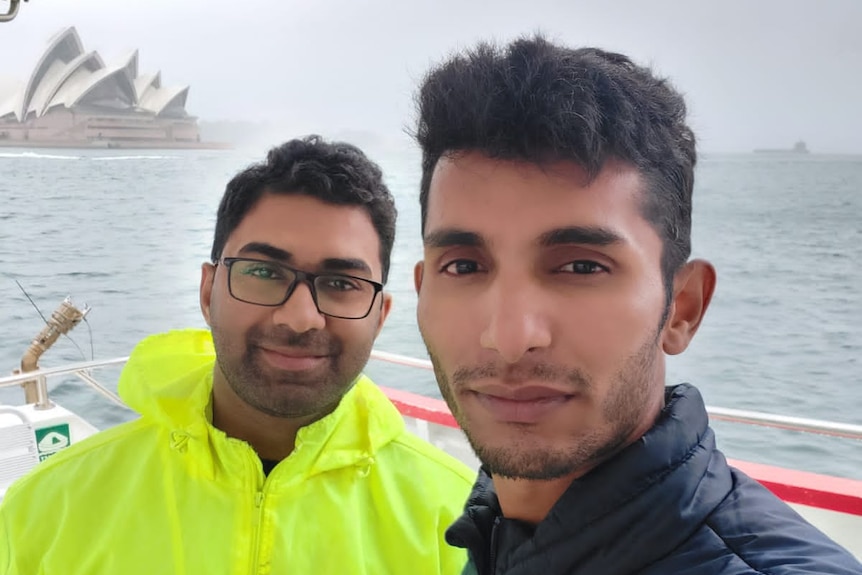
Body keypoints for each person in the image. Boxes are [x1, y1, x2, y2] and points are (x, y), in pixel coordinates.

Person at [411, 35, 862, 574]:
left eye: (581, 267)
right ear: (421, 290)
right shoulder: (495, 532)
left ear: (683, 307)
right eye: (463, 266)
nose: (509, 335)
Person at [0, 136, 475, 574]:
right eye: (264, 273)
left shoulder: (457, 523)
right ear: (208, 291)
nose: (300, 318)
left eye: (341, 284)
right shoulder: (48, 510)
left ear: (379, 314)